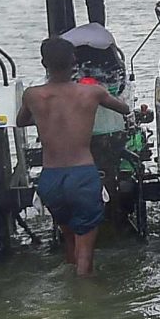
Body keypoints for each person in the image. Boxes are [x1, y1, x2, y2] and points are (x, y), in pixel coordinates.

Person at [18, 34, 133, 276]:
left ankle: (70, 280)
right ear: (74, 62)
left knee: (70, 238)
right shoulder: (91, 93)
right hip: (82, 177)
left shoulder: (32, 95)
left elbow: (21, 121)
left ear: (43, 64)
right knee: (86, 255)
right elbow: (124, 108)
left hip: (50, 180)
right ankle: (84, 298)